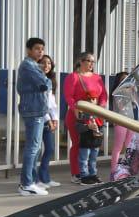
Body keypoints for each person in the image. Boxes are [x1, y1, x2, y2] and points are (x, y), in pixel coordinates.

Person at [63, 51, 108, 185]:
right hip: (78, 115)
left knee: (93, 145)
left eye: (93, 61)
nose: (91, 64)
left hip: (95, 115)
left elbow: (104, 95)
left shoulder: (97, 77)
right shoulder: (74, 77)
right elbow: (68, 96)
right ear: (81, 61)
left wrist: (100, 107)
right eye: (89, 61)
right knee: (79, 144)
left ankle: (91, 173)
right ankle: (77, 173)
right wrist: (75, 108)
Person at [15, 38, 49, 196]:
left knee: (36, 148)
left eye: (42, 49)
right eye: (37, 48)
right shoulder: (28, 66)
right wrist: (45, 79)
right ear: (29, 50)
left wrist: (45, 80)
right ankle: (26, 183)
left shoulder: (34, 65)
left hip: (38, 110)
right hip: (33, 111)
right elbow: (44, 83)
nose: (40, 51)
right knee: (33, 148)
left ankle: (32, 181)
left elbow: (46, 84)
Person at [36, 54, 60, 189]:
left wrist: (55, 119)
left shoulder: (50, 80)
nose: (46, 66)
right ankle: (35, 180)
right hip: (41, 118)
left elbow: (51, 103)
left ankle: (45, 178)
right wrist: (48, 119)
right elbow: (41, 103)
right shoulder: (37, 80)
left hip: (50, 119)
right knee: (36, 150)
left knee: (49, 149)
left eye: (49, 63)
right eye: (44, 63)